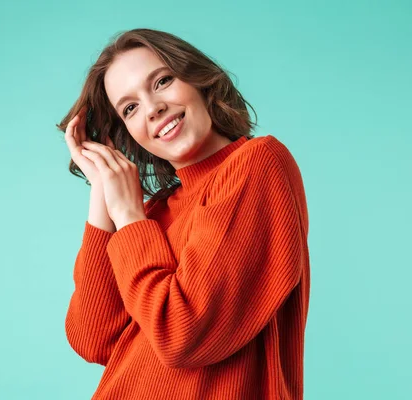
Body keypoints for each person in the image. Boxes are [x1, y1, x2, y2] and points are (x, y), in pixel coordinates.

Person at [56, 28, 311, 400]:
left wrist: (128, 216)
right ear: (127, 134)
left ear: (198, 79)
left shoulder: (257, 164)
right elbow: (93, 338)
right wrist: (103, 186)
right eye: (130, 108)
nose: (153, 108)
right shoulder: (148, 219)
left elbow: (182, 333)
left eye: (161, 81)